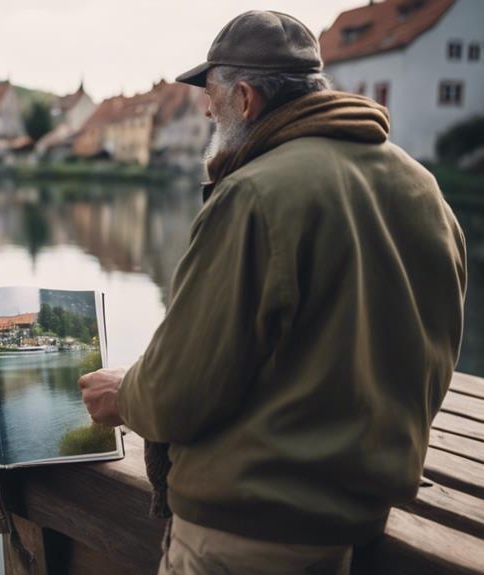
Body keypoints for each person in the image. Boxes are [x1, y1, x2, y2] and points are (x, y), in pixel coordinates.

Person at [78, 10, 467, 575]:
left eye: (211, 95)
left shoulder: (254, 194)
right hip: (363, 520)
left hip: (246, 534)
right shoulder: (422, 187)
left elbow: (177, 393)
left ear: (245, 97)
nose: (208, 110)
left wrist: (123, 393)